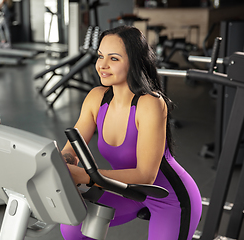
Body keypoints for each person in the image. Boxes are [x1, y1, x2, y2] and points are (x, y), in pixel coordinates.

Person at [60, 26, 202, 240]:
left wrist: (84, 176)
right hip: (127, 192)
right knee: (73, 226)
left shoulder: (150, 104)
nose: (102, 65)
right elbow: (72, 149)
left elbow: (145, 176)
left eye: (114, 59)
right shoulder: (96, 98)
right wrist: (60, 165)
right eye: (100, 56)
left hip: (169, 198)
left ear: (134, 61)